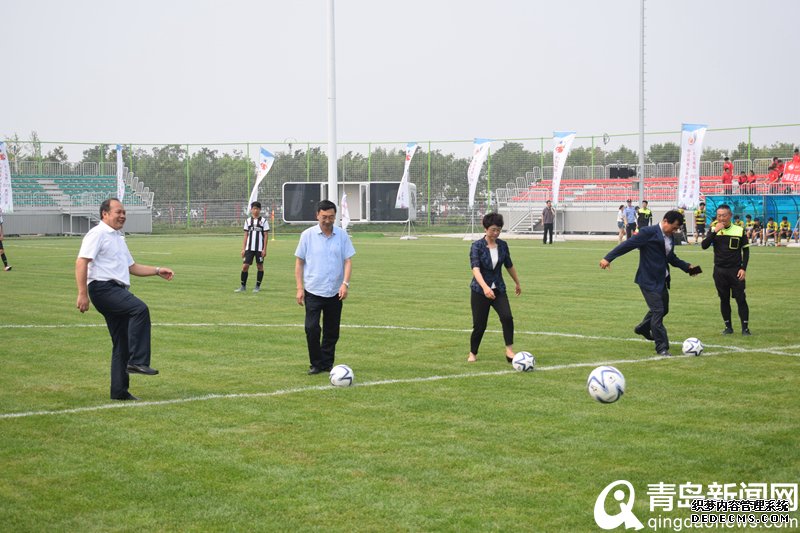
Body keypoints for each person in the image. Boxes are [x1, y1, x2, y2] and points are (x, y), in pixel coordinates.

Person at [75, 198, 174, 401]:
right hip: (103, 288)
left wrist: (157, 271)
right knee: (139, 309)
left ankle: (119, 391)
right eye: (118, 212)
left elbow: (132, 267)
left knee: (121, 343)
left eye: (124, 212)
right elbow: (81, 261)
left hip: (114, 289)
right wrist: (82, 293)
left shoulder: (118, 237)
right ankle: (137, 361)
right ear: (105, 214)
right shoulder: (98, 233)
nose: (122, 216)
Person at [599, 210, 700, 356]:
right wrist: (608, 258)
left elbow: (671, 257)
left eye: (677, 229)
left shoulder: (670, 237)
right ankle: (662, 347)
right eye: (674, 227)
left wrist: (688, 268)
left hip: (662, 279)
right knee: (658, 311)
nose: (675, 231)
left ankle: (643, 328)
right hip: (648, 280)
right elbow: (628, 245)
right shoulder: (648, 232)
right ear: (665, 221)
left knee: (663, 309)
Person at [295, 200, 355, 375]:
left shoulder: (342, 236)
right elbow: (299, 262)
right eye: (324, 217)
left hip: (335, 291)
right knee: (312, 328)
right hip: (313, 290)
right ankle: (315, 363)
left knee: (331, 330)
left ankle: (327, 363)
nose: (328, 220)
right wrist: (299, 288)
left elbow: (348, 260)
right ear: (317, 216)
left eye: (331, 217)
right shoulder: (307, 235)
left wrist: (345, 284)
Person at [467, 212, 521, 363]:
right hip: (479, 291)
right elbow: (475, 269)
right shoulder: (476, 246)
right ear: (485, 228)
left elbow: (509, 265)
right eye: (493, 230)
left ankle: (509, 351)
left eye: (499, 229)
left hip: (499, 289)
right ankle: (473, 353)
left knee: (507, 317)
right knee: (479, 325)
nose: (496, 233)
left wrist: (517, 282)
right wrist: (485, 288)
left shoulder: (503, 245)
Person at [701, 204, 751, 335]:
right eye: (719, 216)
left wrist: (743, 268)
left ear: (730, 216)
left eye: (724, 215)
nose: (721, 218)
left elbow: (746, 251)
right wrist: (714, 231)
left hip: (735, 271)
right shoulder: (713, 229)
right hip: (719, 271)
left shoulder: (739, 230)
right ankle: (728, 327)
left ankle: (745, 328)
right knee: (724, 299)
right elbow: (704, 245)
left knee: (741, 299)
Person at [234, 201, 269, 293]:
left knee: (259, 266)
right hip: (249, 248)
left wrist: (264, 249)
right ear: (251, 210)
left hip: (259, 248)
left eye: (257, 208)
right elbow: (245, 235)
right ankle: (243, 286)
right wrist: (243, 248)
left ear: (260, 210)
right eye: (254, 208)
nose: (255, 210)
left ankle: (257, 286)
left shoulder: (264, 221)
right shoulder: (248, 221)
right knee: (245, 266)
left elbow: (265, 235)